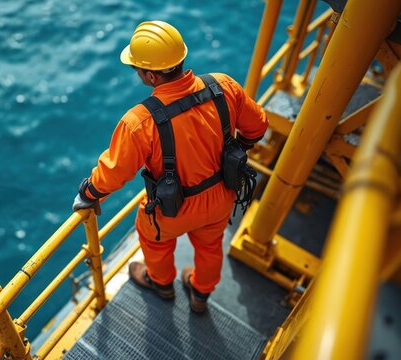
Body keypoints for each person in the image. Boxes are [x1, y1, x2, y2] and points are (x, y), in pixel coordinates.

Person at [73, 20, 268, 313]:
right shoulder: (223, 86)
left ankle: (162, 284)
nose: (137, 73)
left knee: (155, 240)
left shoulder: (139, 122)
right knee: (210, 246)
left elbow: (114, 172)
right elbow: (257, 127)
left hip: (171, 209)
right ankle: (200, 294)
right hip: (221, 196)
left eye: (137, 68)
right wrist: (237, 149)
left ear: (150, 76)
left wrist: (88, 193)